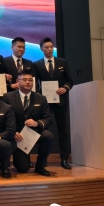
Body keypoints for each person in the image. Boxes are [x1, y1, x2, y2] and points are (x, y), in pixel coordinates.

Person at [2, 69, 54, 176]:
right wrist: (12, 132)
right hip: (17, 136)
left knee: (48, 136)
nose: (27, 82)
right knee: (22, 168)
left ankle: (40, 166)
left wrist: (37, 123)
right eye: (24, 79)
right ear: (18, 81)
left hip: (34, 133)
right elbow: (2, 119)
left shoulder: (41, 98)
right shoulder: (8, 97)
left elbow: (48, 119)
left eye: (30, 80)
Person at [33, 38, 74, 169]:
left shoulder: (62, 62)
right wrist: (38, 95)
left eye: (51, 47)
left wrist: (65, 88)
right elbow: (35, 83)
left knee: (63, 131)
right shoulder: (37, 64)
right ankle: (42, 159)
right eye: (46, 47)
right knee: (42, 130)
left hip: (60, 101)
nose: (50, 49)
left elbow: (70, 81)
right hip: (44, 102)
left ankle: (64, 159)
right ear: (41, 49)